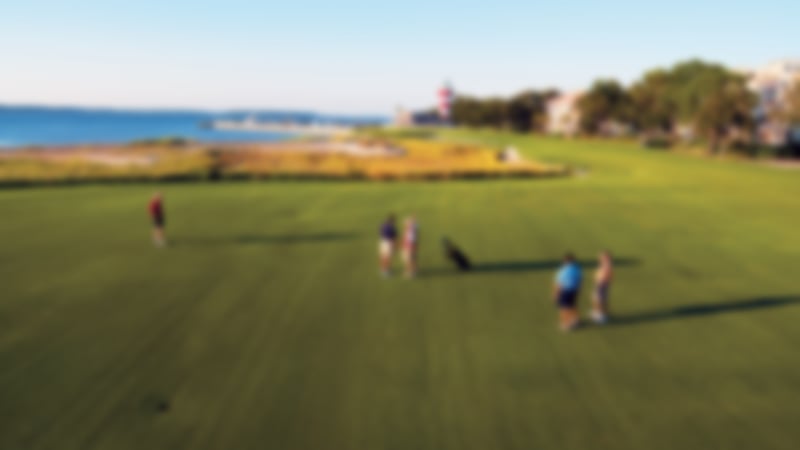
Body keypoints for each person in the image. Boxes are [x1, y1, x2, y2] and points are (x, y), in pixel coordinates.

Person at [553, 252, 582, 331]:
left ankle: (566, 324)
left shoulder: (563, 271)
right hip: (574, 290)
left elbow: (559, 284)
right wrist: (578, 289)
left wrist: (556, 294)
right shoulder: (577, 269)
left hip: (565, 291)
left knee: (564, 308)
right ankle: (576, 320)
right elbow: (579, 280)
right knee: (572, 305)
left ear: (566, 261)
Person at [592, 250, 614, 324]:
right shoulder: (605, 264)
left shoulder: (607, 265)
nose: (599, 257)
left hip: (602, 284)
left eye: (602, 256)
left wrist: (602, 282)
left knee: (599, 300)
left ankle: (601, 316)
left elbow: (608, 275)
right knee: (599, 299)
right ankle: (599, 313)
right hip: (601, 284)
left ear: (606, 258)